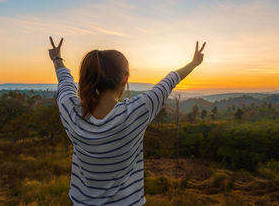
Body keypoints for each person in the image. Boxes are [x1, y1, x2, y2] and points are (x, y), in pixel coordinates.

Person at [48, 36, 206, 205]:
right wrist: (194, 62)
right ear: (125, 79)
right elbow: (170, 80)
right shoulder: (135, 113)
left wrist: (57, 58)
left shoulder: (71, 112)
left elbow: (65, 83)